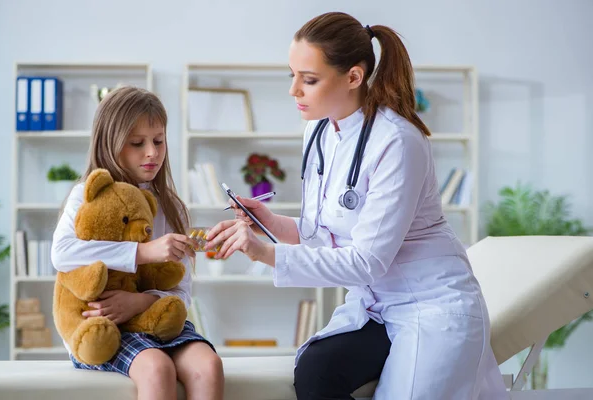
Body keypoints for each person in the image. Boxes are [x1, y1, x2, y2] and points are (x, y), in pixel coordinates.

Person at [204, 11, 508, 400]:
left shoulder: (398, 142)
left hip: (430, 306)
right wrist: (271, 222)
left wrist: (265, 253)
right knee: (316, 369)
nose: (294, 90)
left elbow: (367, 260)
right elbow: (324, 231)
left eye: (309, 79)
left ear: (353, 76)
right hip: (375, 305)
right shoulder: (318, 131)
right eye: (292, 75)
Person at [51, 86, 224, 400]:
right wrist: (142, 252)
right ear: (110, 144)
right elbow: (62, 254)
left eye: (158, 141)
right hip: (103, 327)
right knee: (157, 368)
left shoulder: (172, 208)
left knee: (209, 365)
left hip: (153, 317)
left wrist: (141, 302)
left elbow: (181, 293)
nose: (152, 153)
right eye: (137, 143)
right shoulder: (85, 197)